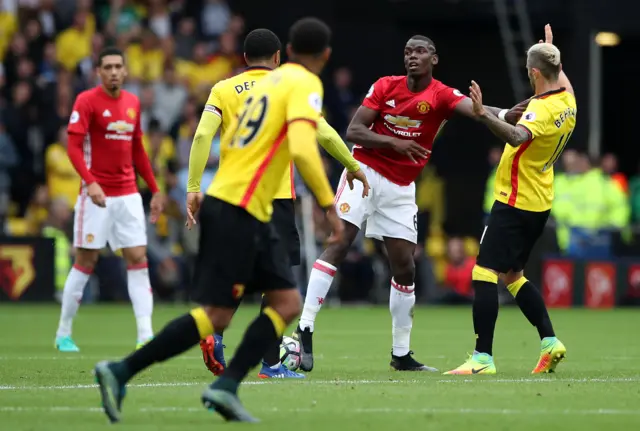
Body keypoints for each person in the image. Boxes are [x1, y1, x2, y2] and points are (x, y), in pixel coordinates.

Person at [94, 17, 343, 423]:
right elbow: (304, 145)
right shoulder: (300, 85)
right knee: (227, 311)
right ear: (313, 56)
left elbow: (202, 135)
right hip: (242, 208)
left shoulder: (234, 87)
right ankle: (123, 370)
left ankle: (225, 386)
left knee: (281, 301)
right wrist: (330, 205)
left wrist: (193, 186)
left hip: (230, 203)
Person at [294, 34, 524, 372]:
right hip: (364, 173)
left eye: (419, 51)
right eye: (407, 52)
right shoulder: (386, 86)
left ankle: (401, 354)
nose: (412, 57)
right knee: (340, 242)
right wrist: (393, 144)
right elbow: (354, 131)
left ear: (434, 58)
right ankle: (305, 329)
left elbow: (476, 111)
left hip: (401, 188)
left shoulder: (441, 95)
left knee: (405, 267)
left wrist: (505, 112)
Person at [187, 29, 369, 379]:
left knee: (239, 273)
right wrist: (353, 166)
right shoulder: (287, 88)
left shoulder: (222, 89)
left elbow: (201, 135)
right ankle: (271, 363)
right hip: (276, 198)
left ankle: (215, 330)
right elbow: (325, 134)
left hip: (232, 196)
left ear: (243, 59)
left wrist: (193, 186)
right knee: (279, 284)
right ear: (277, 58)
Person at [445, 24, 576, 375]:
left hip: (515, 200)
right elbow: (551, 81)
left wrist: (483, 114)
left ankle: (482, 358)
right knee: (514, 275)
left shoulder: (543, 111)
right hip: (539, 199)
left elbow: (518, 135)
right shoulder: (566, 98)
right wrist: (550, 50)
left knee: (484, 270)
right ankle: (550, 341)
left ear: (533, 72)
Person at [54, 47, 164, 352]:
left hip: (127, 194)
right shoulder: (86, 101)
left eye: (118, 66)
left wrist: (154, 189)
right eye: (108, 67)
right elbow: (73, 148)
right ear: (98, 72)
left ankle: (145, 334)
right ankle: (63, 332)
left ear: (126, 71)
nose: (114, 71)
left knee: (138, 258)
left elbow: (138, 151)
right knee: (86, 260)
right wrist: (90, 183)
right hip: (96, 196)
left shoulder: (132, 103)